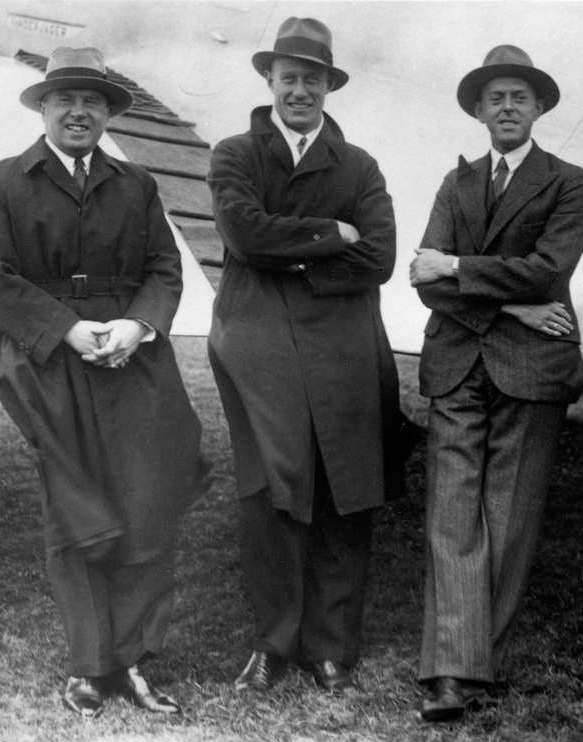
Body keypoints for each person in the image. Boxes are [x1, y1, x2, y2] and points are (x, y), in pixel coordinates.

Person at [0, 46, 206, 719]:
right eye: (66, 98)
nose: (79, 111)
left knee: (147, 497)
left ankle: (132, 662)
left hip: (132, 357)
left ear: (107, 113)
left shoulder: (138, 185)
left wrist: (137, 326)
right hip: (45, 359)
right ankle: (87, 666)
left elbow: (164, 269)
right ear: (43, 107)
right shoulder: (2, 181)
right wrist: (70, 330)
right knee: (75, 504)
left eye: (93, 100)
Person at [206, 17, 398, 694]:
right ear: (269, 80)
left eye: (312, 80)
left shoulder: (358, 165)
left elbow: (379, 257)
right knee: (272, 491)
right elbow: (243, 233)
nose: (300, 90)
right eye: (289, 77)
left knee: (346, 487)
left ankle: (332, 645)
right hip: (256, 338)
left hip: (343, 342)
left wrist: (294, 260)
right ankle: (274, 641)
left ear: (328, 86)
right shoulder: (235, 154)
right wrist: (329, 232)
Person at [409, 44, 583, 722]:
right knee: (451, 514)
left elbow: (549, 269)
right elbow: (424, 284)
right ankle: (453, 673)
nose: (507, 106)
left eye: (519, 95)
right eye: (496, 97)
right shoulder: (455, 186)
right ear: (479, 111)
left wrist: (454, 266)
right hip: (458, 361)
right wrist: (507, 301)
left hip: (532, 367)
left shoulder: (567, 181)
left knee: (508, 520)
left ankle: (474, 661)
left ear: (538, 107)